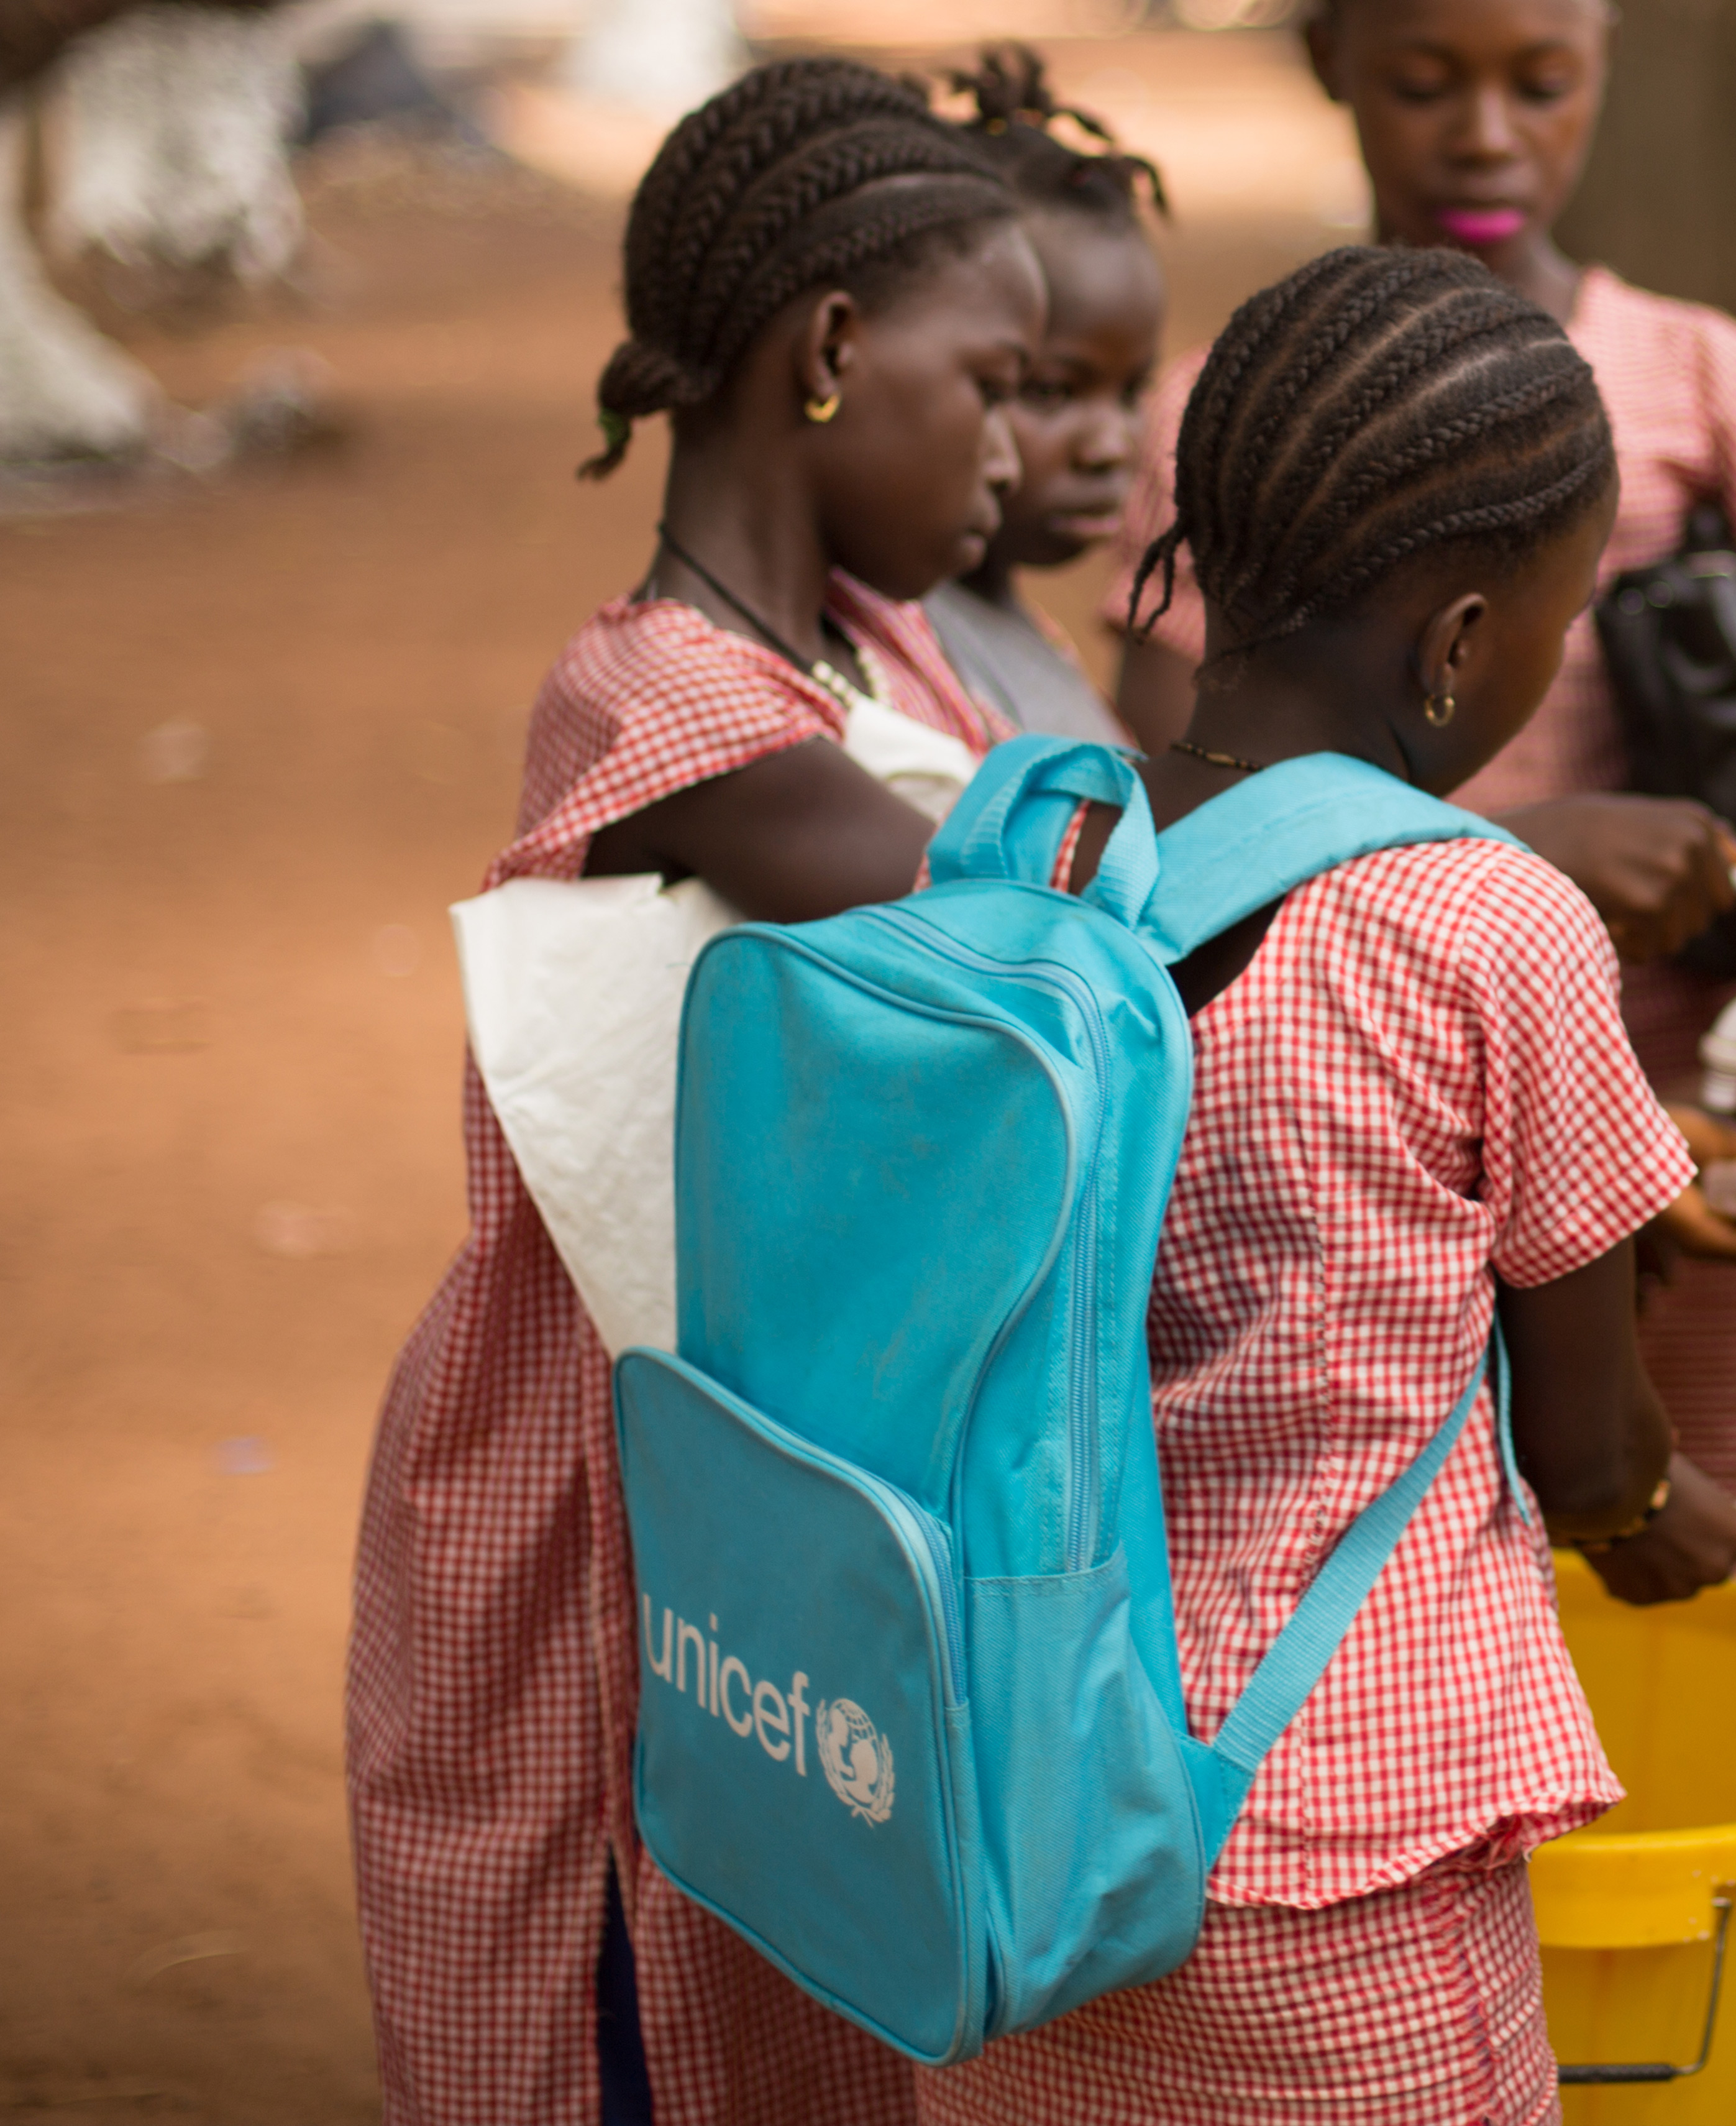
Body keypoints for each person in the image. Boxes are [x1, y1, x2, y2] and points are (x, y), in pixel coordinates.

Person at [920, 242, 1736, 2126]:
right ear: (1461, 647)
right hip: (1338, 1839)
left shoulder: (1023, 843)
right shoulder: (1487, 923)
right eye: (1553, 626)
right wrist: (1665, 1517)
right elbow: (1593, 1450)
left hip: (1014, 1820)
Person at [345, 58, 1044, 2126]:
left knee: (800, 1950)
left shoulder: (886, 653)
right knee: (632, 1975)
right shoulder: (665, 699)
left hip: (764, 1491)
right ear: (830, 353)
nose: (1016, 447)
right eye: (992, 383)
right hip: (608, 1506)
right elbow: (1005, 908)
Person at [1104, 0, 1736, 1593]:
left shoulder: (1705, 382)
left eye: (1541, 82)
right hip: (1342, 1166)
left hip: (1674, 1130)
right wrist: (1527, 862)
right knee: (1389, 1548)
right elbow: (1188, 835)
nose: (1485, 134)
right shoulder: (1232, 421)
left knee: (1722, 1596)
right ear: (1332, 62)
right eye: (1428, 80)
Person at [923, 47, 1161, 749]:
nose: (1110, 445)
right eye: (1053, 391)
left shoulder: (1015, 630)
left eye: (1130, 392)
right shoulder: (911, 658)